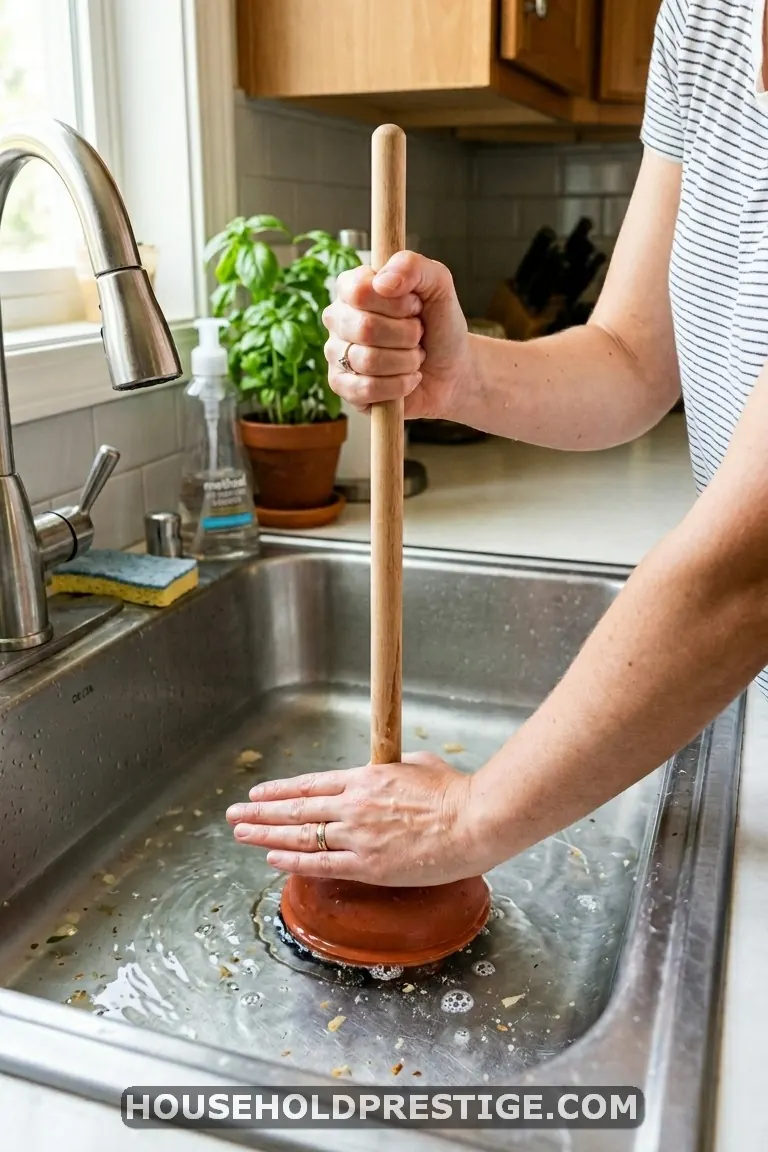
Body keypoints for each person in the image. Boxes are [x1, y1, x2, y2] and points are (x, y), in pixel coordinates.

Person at [227, 0, 768, 887]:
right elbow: (632, 358)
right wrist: (459, 376)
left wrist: (466, 817)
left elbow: (749, 567)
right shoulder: (701, 18)